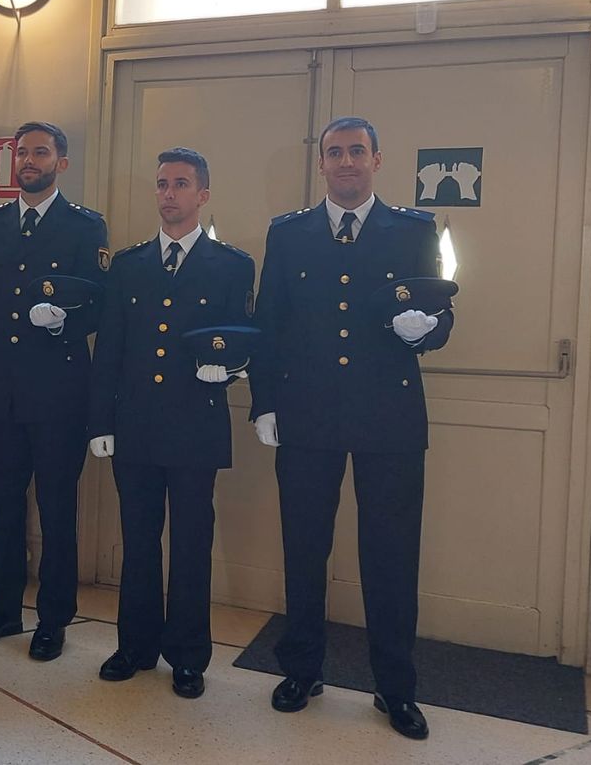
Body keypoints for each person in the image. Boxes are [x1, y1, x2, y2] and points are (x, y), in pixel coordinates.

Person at [249, 116, 454, 741]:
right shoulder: (289, 234)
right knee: (304, 548)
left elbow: (441, 314)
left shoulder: (413, 229)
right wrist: (265, 403)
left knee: (391, 556)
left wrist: (430, 332)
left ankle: (395, 688)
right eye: (334, 153)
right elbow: (269, 323)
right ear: (321, 163)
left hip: (388, 417)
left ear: (377, 159)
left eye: (356, 152)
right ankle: (301, 669)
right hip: (307, 414)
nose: (345, 162)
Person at [86, 148, 254, 698]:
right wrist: (100, 419)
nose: (169, 194)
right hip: (135, 423)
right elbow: (109, 346)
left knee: (190, 543)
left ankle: (187, 655)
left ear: (202, 195)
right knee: (138, 541)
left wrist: (227, 369)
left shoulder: (231, 265)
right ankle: (134, 645)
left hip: (194, 426)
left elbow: (243, 342)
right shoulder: (130, 264)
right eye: (161, 184)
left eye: (181, 184)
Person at [0, 121, 109, 660]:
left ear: (60, 163)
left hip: (58, 394)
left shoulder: (83, 226)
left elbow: (100, 306)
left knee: (55, 510)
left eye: (40, 152)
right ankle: (2, 610)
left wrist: (62, 323)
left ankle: (52, 619)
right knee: (2, 506)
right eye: (21, 153)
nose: (28, 160)